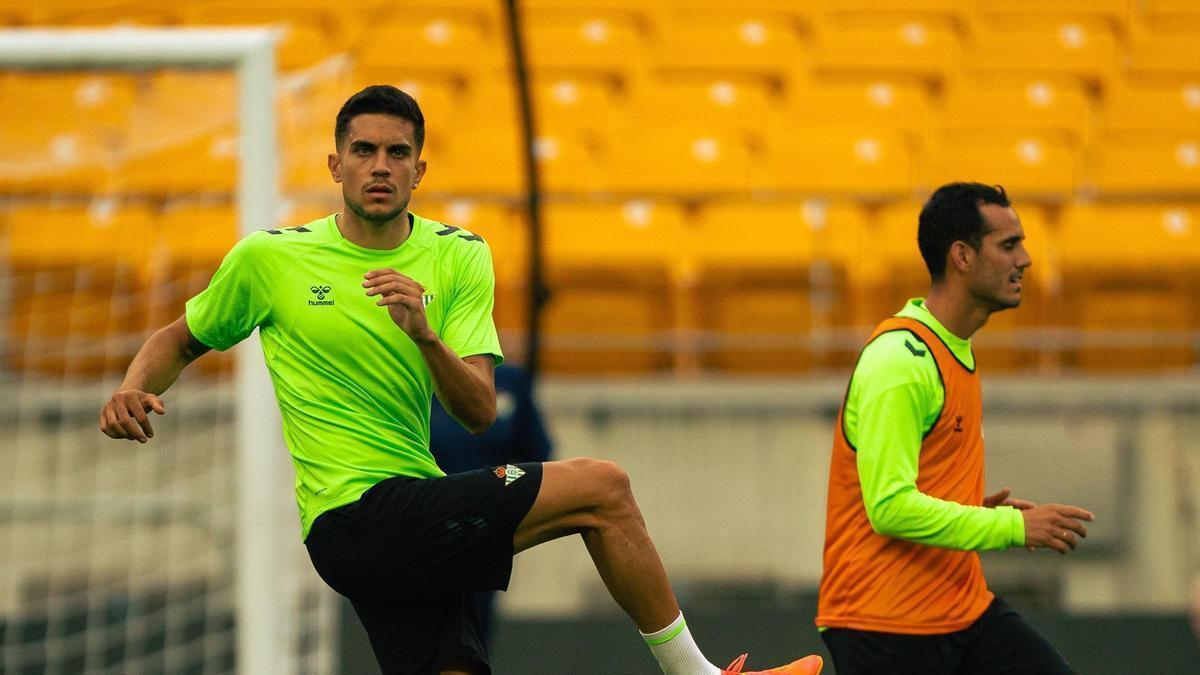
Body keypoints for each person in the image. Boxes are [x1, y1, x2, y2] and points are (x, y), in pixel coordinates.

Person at [98, 85, 821, 675]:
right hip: (352, 517)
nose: (379, 164)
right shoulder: (270, 259)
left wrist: (426, 336)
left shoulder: (458, 257)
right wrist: (134, 383)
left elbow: (477, 411)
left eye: (397, 152)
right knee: (604, 487)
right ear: (334, 165)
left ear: (420, 170)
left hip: (416, 505)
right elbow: (181, 337)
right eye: (363, 150)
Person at [816, 182, 1095, 675]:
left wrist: (965, 507)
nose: (1025, 260)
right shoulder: (900, 361)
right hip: (884, 625)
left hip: (959, 610)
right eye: (1008, 245)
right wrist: (1011, 526)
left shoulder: (954, 349)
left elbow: (915, 486)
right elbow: (890, 508)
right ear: (962, 257)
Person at [428, 361, 554, 640]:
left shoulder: (509, 380)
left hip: (483, 536)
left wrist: (500, 492)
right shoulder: (411, 374)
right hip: (423, 534)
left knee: (474, 640)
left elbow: (538, 457)